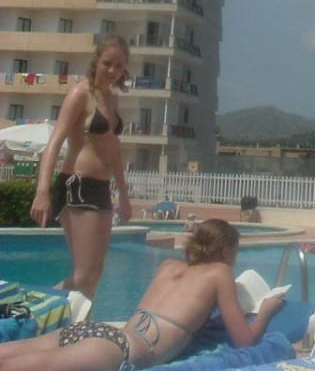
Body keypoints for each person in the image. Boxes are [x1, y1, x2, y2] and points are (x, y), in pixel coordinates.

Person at [0, 219, 284, 371]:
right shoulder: (220, 272)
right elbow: (244, 340)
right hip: (119, 350)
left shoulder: (169, 266)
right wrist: (266, 311)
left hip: (95, 332)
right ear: (225, 251)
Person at [29, 33, 134, 301]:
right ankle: (36, 305)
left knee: (94, 274)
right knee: (84, 274)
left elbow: (114, 150)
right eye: (107, 63)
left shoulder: (112, 98)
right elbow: (54, 143)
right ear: (96, 61)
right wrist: (42, 191)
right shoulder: (79, 94)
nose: (112, 70)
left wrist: (123, 194)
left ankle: (79, 323)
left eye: (119, 66)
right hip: (77, 185)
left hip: (101, 188)